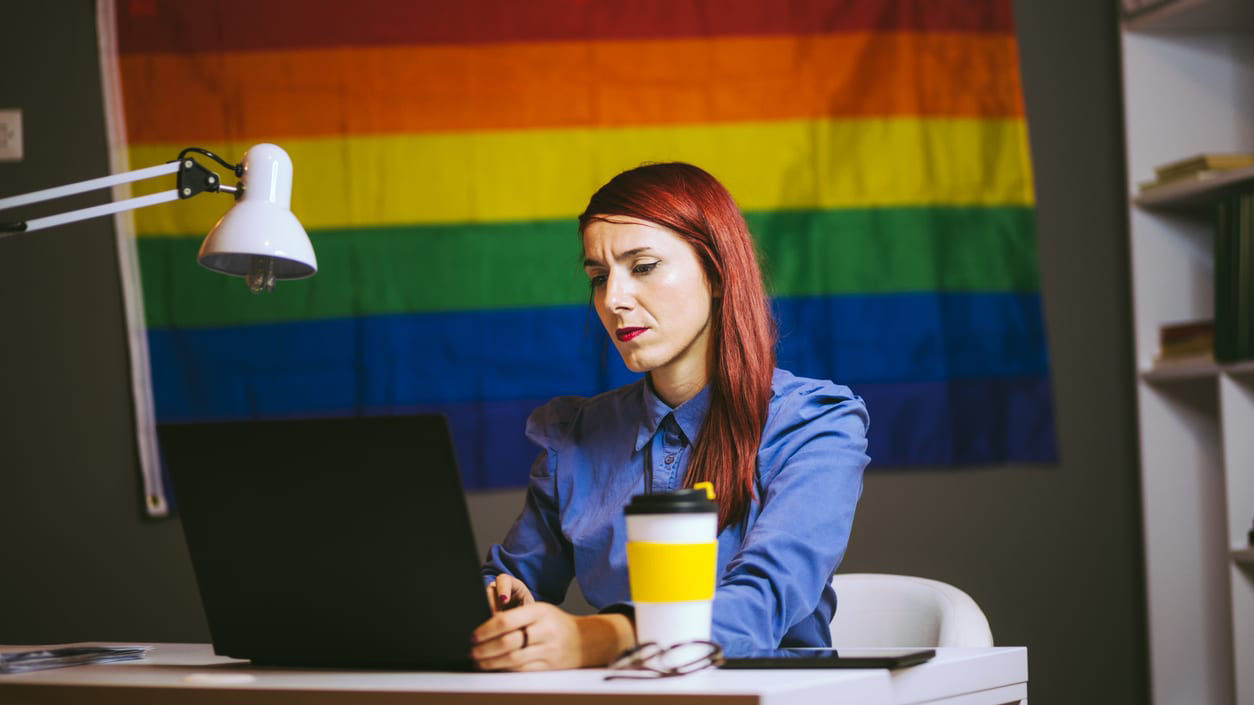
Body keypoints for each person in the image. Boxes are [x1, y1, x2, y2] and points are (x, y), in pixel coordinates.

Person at [470, 162, 869, 671]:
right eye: (598, 277)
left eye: (642, 267)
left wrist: (604, 636)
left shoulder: (814, 425)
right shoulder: (575, 441)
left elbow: (759, 605)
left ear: (718, 272)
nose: (613, 300)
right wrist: (502, 607)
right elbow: (508, 579)